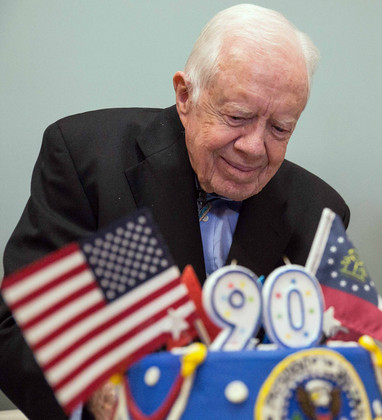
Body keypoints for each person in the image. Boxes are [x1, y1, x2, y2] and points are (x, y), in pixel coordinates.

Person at [0, 4, 349, 419]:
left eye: (280, 128)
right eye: (237, 116)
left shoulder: (319, 211)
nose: (254, 147)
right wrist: (109, 402)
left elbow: (328, 361)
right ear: (185, 95)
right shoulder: (87, 159)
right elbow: (19, 333)